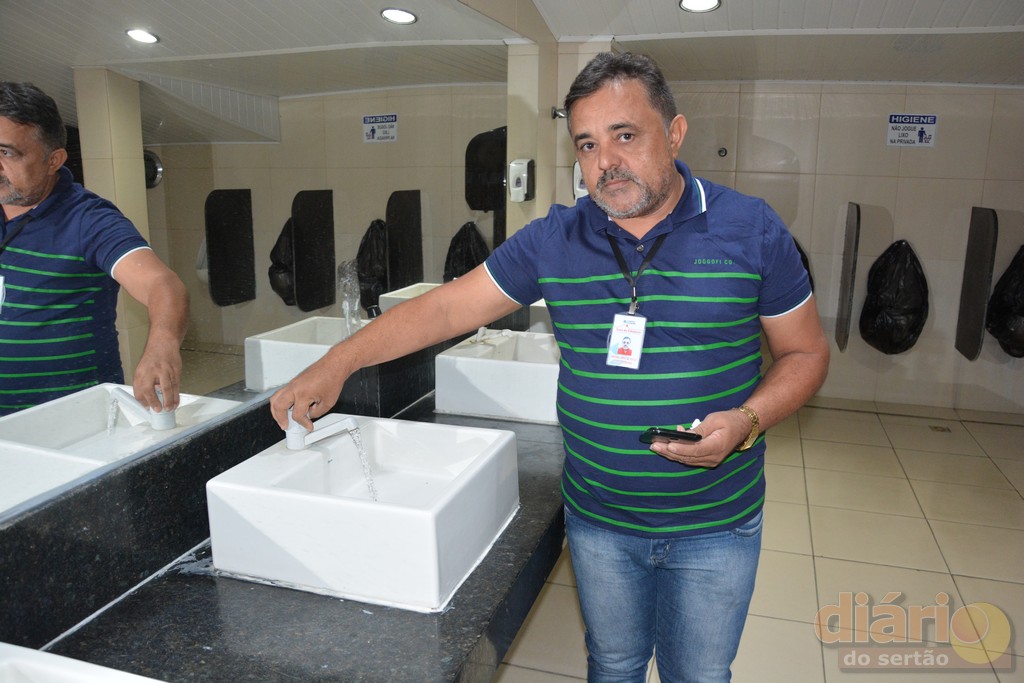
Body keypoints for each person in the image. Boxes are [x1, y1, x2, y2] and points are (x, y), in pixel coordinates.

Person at [271, 52, 829, 682]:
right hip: (599, 521)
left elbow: (806, 354)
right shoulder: (556, 239)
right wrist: (339, 361)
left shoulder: (750, 229)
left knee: (697, 674)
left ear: (674, 134)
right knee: (613, 664)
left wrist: (748, 420)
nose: (605, 161)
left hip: (716, 523)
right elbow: (446, 309)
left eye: (625, 135)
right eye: (587, 145)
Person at [0, 82, 188, 416]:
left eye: (6, 153)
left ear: (53, 160)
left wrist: (162, 345)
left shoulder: (89, 220)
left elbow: (163, 285)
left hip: (73, 419)